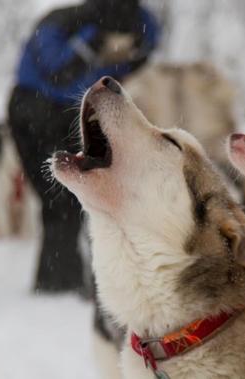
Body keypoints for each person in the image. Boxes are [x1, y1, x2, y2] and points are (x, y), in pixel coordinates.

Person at [8, 0, 159, 293]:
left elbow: (147, 40)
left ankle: (72, 281)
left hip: (73, 111)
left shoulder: (135, 19)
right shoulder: (61, 21)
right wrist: (93, 42)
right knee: (60, 199)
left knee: (80, 198)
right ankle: (64, 283)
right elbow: (55, 70)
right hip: (34, 110)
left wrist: (131, 49)